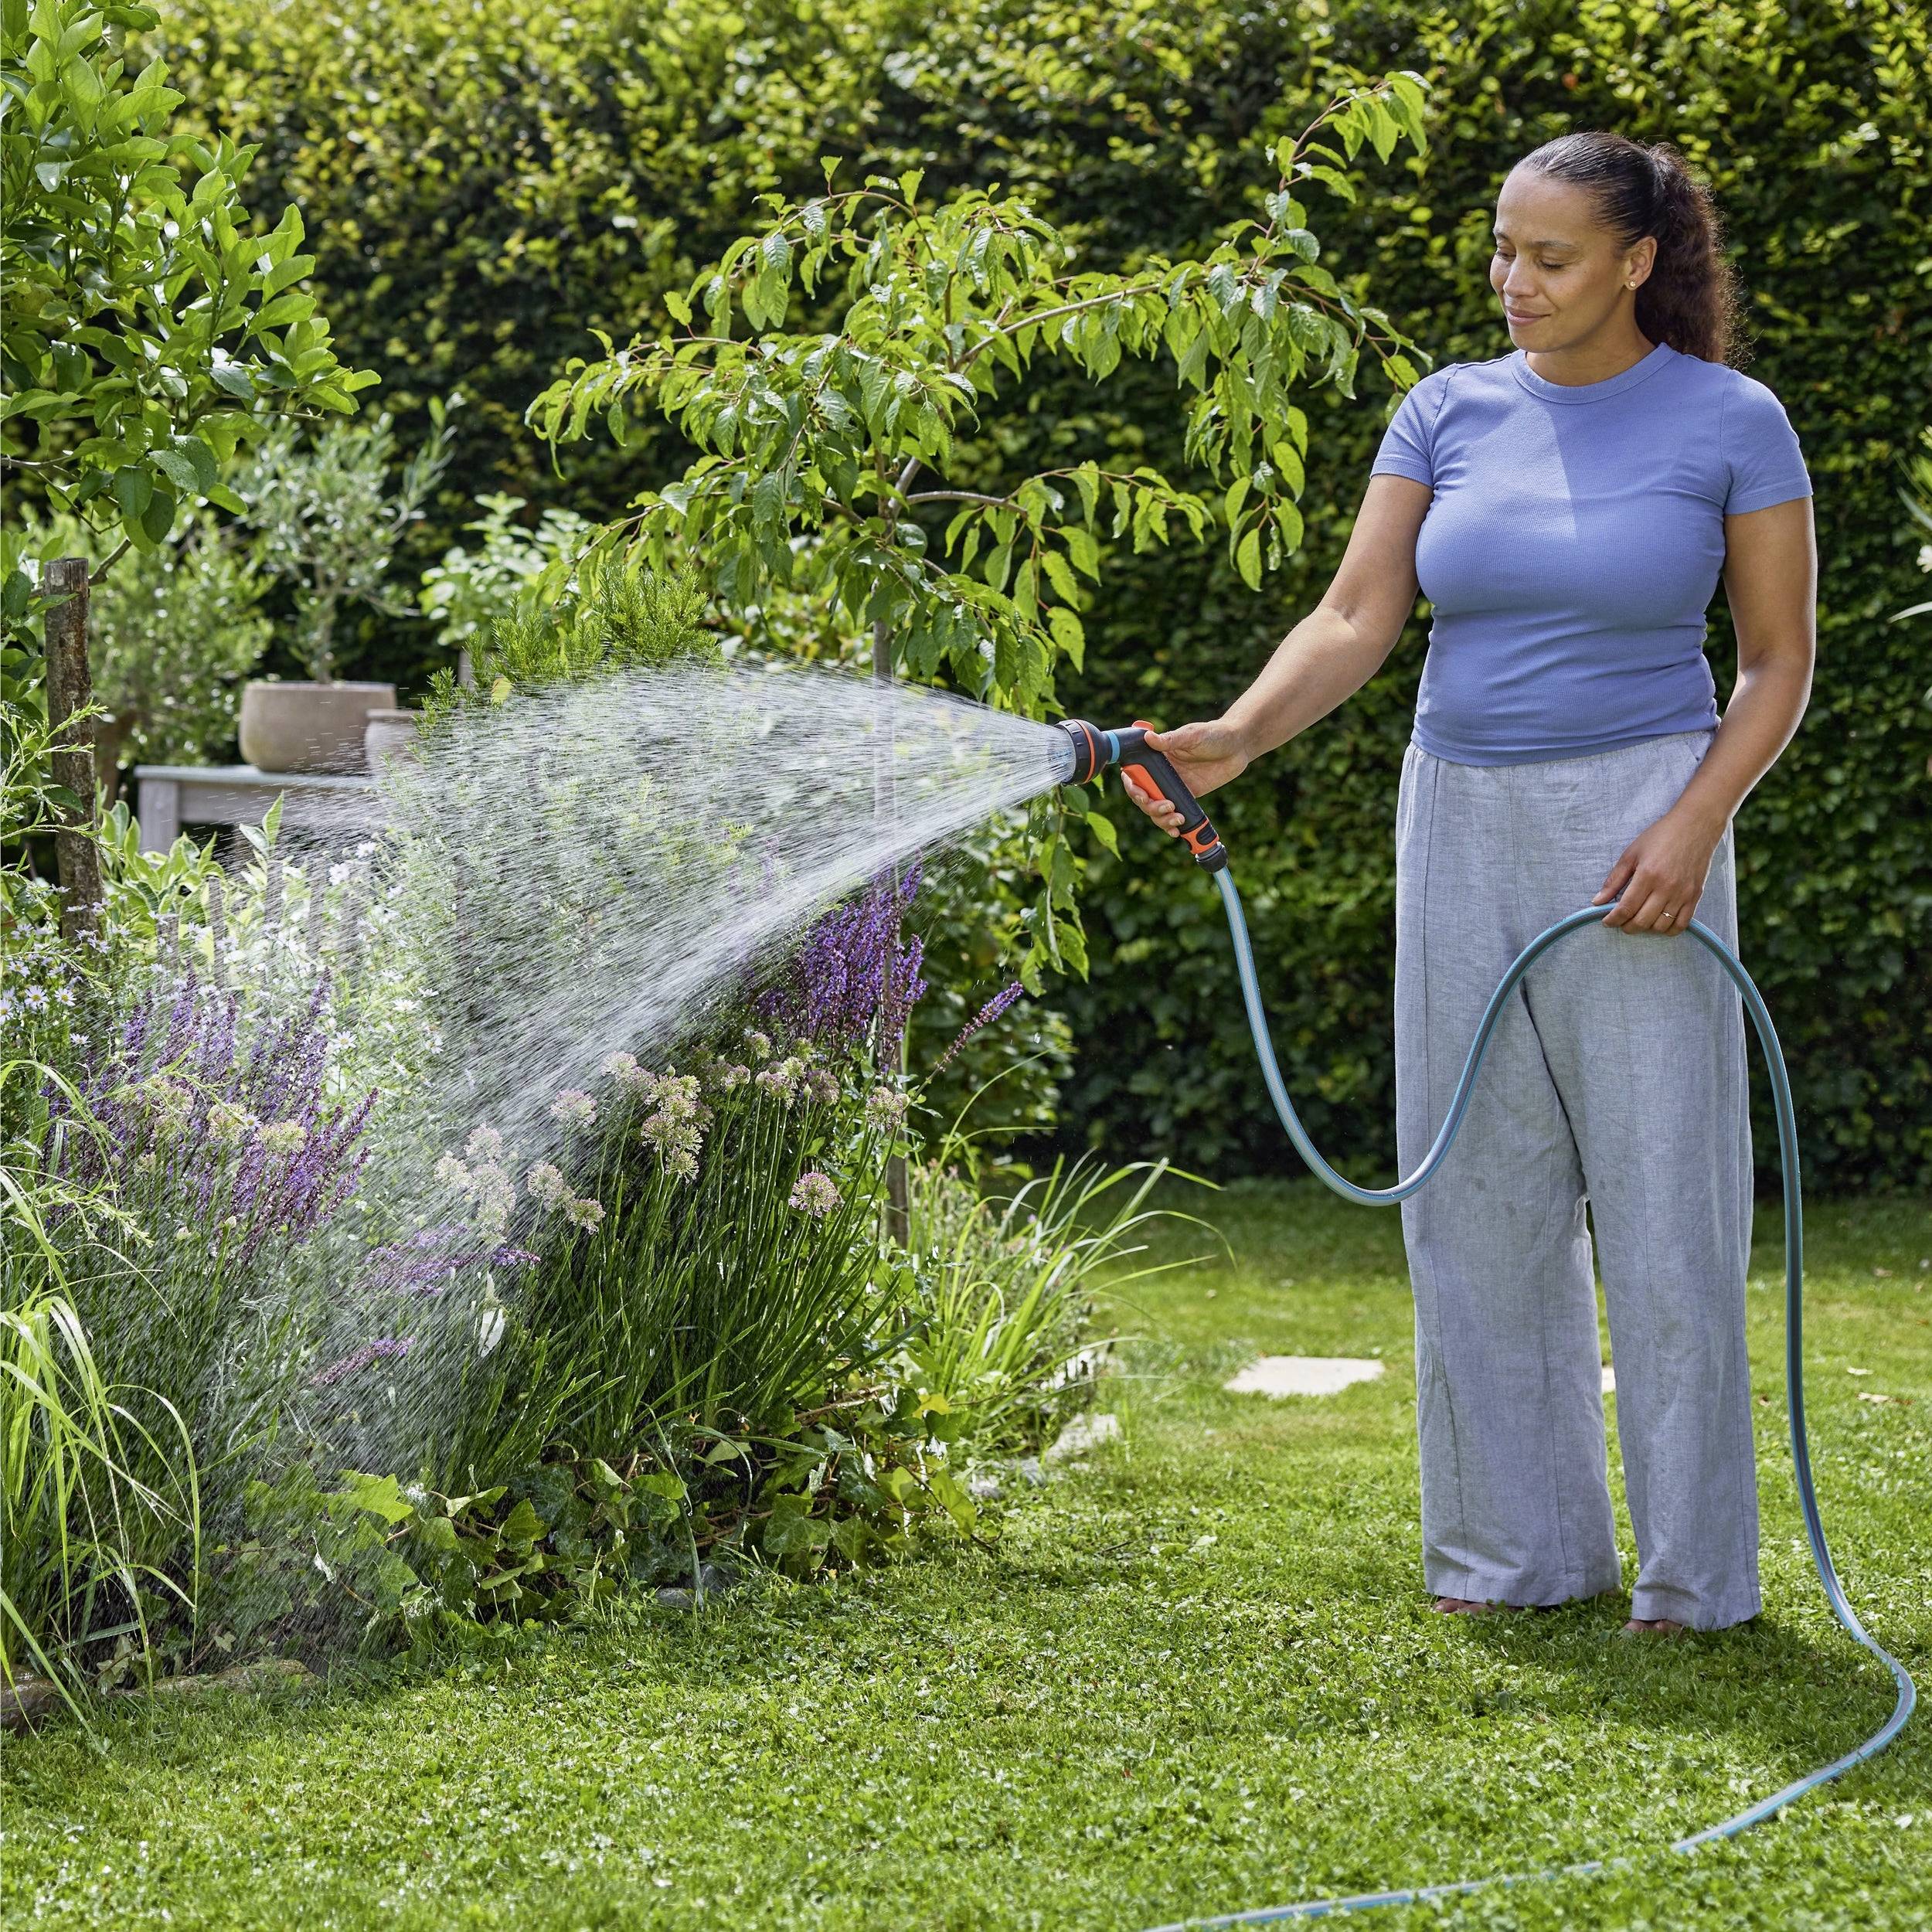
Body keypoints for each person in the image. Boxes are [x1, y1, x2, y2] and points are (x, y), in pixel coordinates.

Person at [1121, 132, 1815, 1637]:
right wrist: (1231, 735)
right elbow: (1357, 612)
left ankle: (1693, 1582)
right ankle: (1517, 1553)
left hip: (1643, 811)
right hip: (1454, 815)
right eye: (1500, 249)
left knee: (1661, 1205)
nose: (1511, 280)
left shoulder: (1728, 420)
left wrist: (1692, 823)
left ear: (1635, 263)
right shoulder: (1443, 411)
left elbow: (1773, 665)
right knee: (1475, 1200)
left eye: (1549, 257)